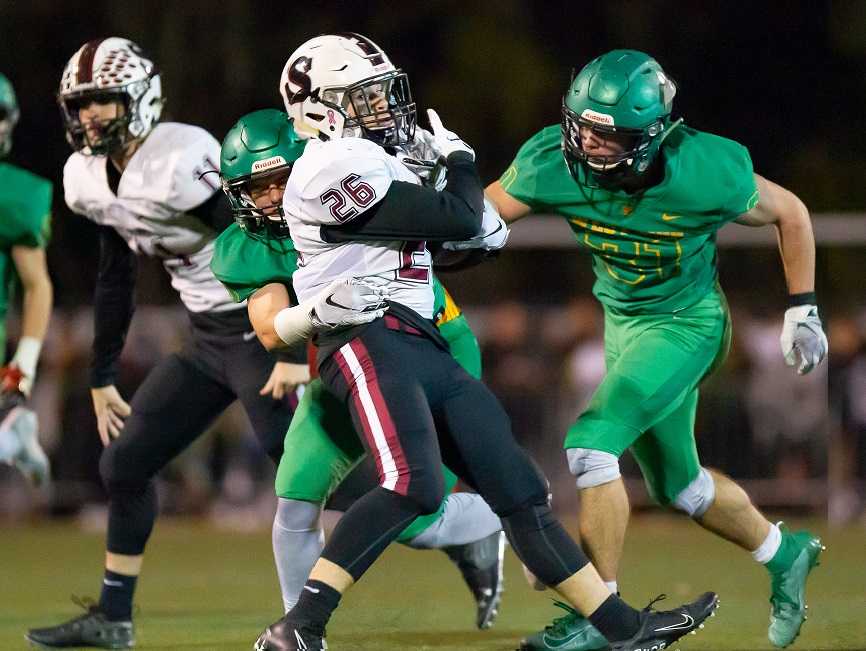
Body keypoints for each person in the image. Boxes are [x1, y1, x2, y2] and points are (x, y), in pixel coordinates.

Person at [253, 32, 718, 651]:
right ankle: (297, 628)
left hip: (421, 340)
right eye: (362, 98)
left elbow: (458, 241)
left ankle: (623, 631)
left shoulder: (377, 160)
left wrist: (465, 217)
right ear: (318, 107)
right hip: (364, 340)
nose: (383, 107)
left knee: (521, 493)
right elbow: (458, 215)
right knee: (410, 485)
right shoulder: (325, 167)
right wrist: (462, 166)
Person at [484, 49, 827, 651]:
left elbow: (791, 213)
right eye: (582, 126)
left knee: (591, 446)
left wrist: (803, 304)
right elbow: (477, 216)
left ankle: (601, 615)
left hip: (685, 324)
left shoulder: (702, 166)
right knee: (681, 486)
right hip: (623, 325)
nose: (588, 144)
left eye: (607, 135)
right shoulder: (549, 160)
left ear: (652, 136)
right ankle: (783, 553)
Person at [25, 37, 301, 649]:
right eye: (83, 103)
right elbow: (115, 274)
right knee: (124, 463)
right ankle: (114, 618)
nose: (92, 115)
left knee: (305, 469)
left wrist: (287, 342)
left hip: (258, 325)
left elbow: (266, 238)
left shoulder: (182, 159)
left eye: (104, 100)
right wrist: (101, 375)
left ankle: (447, 520)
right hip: (207, 338)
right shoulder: (88, 178)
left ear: (142, 98)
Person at [211, 108, 506, 629]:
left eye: (280, 180)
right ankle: (296, 630)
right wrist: (317, 314)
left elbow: (457, 224)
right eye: (257, 188)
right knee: (295, 498)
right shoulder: (247, 248)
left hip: (432, 347)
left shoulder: (348, 188)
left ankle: (504, 516)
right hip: (346, 361)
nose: (273, 198)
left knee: (421, 516)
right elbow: (269, 327)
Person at [0, 72, 53, 487]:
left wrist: (23, 367)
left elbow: (36, 284)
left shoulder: (13, 194)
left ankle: (10, 427)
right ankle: (10, 430)